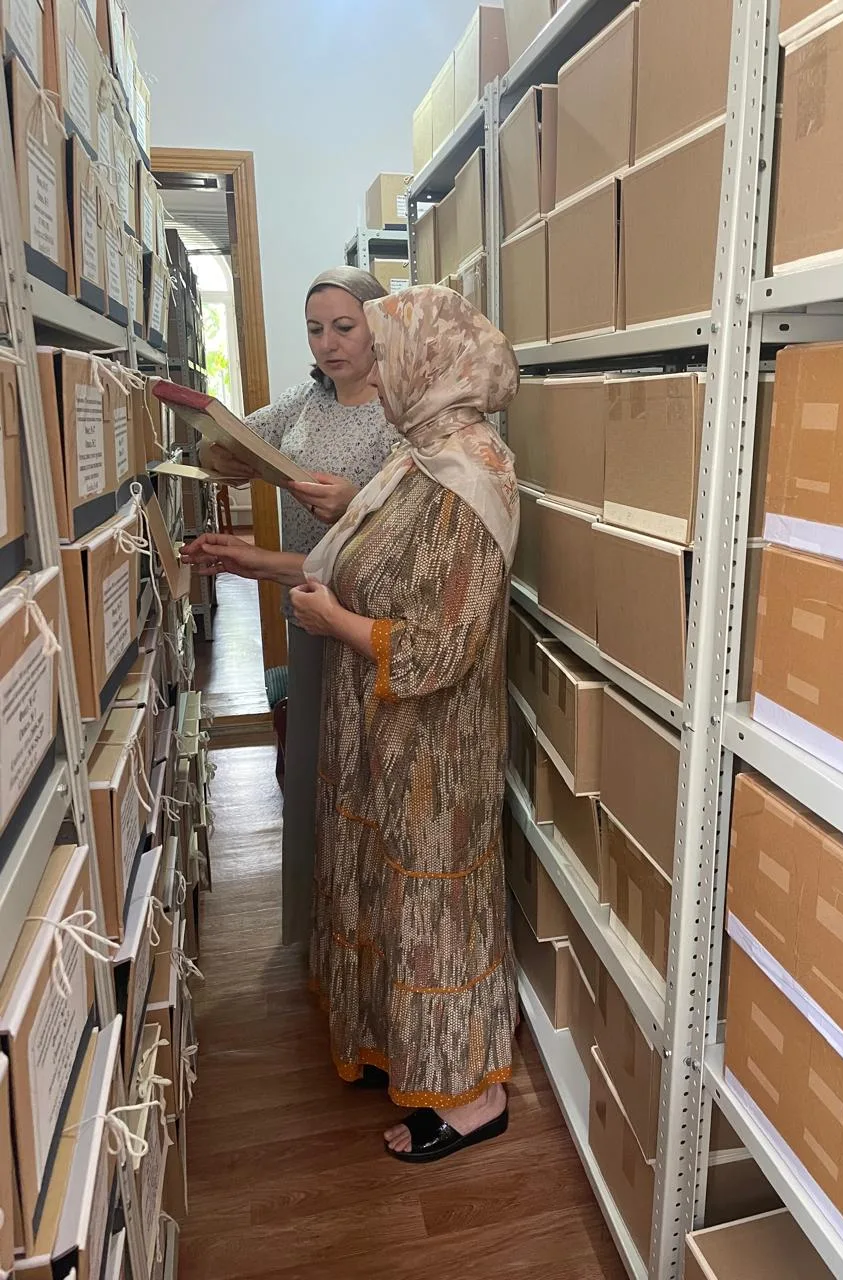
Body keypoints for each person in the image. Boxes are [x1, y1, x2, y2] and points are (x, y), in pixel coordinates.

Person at [182, 286, 520, 1162]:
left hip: (432, 745)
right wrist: (263, 564)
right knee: (395, 897)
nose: (376, 364)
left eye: (388, 347)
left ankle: (473, 1096)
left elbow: (443, 646)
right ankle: (406, 1049)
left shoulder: (467, 476)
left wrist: (333, 623)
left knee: (437, 906)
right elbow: (363, 562)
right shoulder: (424, 456)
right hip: (387, 729)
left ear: (431, 361)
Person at [199, 267, 398, 948]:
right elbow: (227, 446)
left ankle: (369, 925)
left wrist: (356, 504)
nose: (328, 344)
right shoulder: (303, 404)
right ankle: (326, 925)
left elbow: (419, 525)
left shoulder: (402, 411)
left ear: (380, 325)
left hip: (370, 616)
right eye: (315, 330)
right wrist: (223, 455)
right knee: (319, 771)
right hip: (307, 604)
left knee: (368, 770)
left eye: (344, 327)